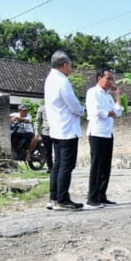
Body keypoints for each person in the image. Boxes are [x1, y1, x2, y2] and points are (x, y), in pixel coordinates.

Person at [44, 50, 84, 211]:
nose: (71, 69)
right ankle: (63, 199)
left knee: (58, 165)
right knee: (66, 166)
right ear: (65, 65)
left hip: (56, 129)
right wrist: (82, 109)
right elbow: (73, 105)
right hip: (67, 130)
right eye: (70, 66)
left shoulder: (49, 79)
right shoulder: (62, 81)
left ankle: (53, 197)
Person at [85, 68, 123, 208]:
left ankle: (102, 194)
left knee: (106, 167)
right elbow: (96, 112)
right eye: (108, 78)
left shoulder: (108, 96)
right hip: (97, 133)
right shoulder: (92, 92)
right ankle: (92, 197)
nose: (110, 81)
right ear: (99, 78)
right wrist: (109, 112)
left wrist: (117, 95)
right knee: (97, 166)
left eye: (111, 79)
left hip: (108, 133)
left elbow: (118, 113)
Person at [35, 104, 53, 173]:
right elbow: (38, 121)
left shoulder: (57, 106)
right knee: (48, 151)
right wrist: (36, 131)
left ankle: (58, 167)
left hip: (57, 132)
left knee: (59, 151)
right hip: (46, 132)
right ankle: (50, 167)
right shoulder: (42, 108)